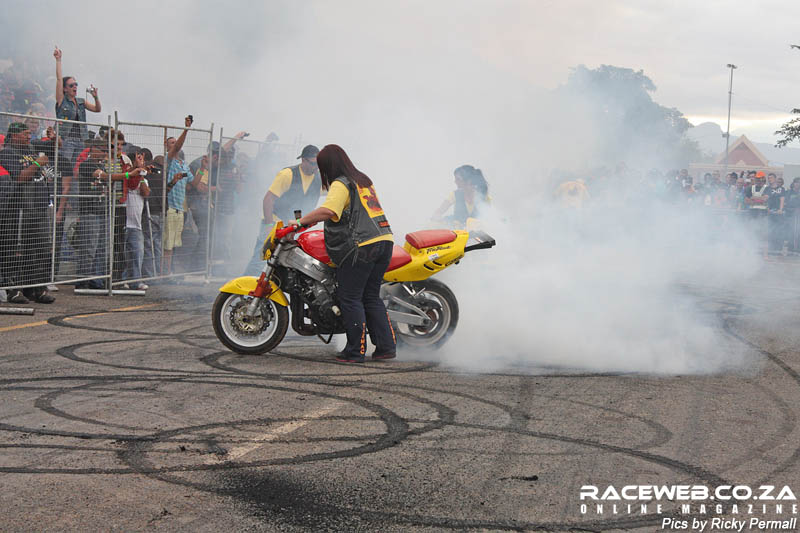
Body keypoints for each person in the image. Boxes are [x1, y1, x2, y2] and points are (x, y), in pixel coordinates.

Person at [296, 145, 396, 363]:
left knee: (350, 297)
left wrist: (299, 222)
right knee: (370, 297)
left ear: (328, 166)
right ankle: (386, 347)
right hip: (384, 241)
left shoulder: (341, 183)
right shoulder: (363, 181)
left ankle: (354, 351)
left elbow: (329, 210)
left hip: (361, 245)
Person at [244, 144, 321, 275]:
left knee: (283, 264)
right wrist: (269, 225)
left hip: (294, 227)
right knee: (260, 261)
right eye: (313, 163)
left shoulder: (319, 179)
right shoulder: (287, 174)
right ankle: (245, 287)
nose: (316, 167)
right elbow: (268, 199)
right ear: (303, 160)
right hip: (276, 223)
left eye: (318, 164)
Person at [0, 122, 55, 303]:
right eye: (25, 134)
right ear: (14, 135)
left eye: (29, 133)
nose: (29, 136)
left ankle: (37, 289)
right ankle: (14, 290)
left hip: (39, 207)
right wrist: (38, 163)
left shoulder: (31, 148)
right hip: (19, 209)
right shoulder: (7, 153)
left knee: (40, 249)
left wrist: (54, 139)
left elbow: (56, 148)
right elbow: (19, 177)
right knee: (17, 250)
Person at [54, 47, 100, 168]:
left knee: (76, 169)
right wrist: (58, 60)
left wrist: (95, 97)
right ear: (65, 89)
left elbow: (97, 109)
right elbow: (59, 79)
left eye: (76, 84)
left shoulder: (81, 102)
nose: (75, 86)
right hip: (66, 139)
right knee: (65, 167)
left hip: (80, 140)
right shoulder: (62, 101)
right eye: (71, 85)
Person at [163, 116, 194, 276]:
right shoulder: (168, 160)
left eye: (175, 142)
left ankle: (170, 271)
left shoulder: (183, 165)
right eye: (171, 143)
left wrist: (203, 168)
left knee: (174, 244)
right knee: (167, 244)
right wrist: (186, 129)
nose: (175, 145)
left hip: (180, 209)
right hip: (169, 207)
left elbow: (193, 184)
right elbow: (177, 148)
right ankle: (165, 273)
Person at [122, 152, 150, 289]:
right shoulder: (126, 176)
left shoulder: (143, 179)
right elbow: (128, 182)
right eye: (138, 160)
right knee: (123, 254)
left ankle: (135, 281)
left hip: (136, 224)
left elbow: (145, 192)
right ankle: (123, 281)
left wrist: (142, 174)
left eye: (142, 161)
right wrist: (135, 169)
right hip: (124, 221)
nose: (140, 163)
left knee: (137, 253)